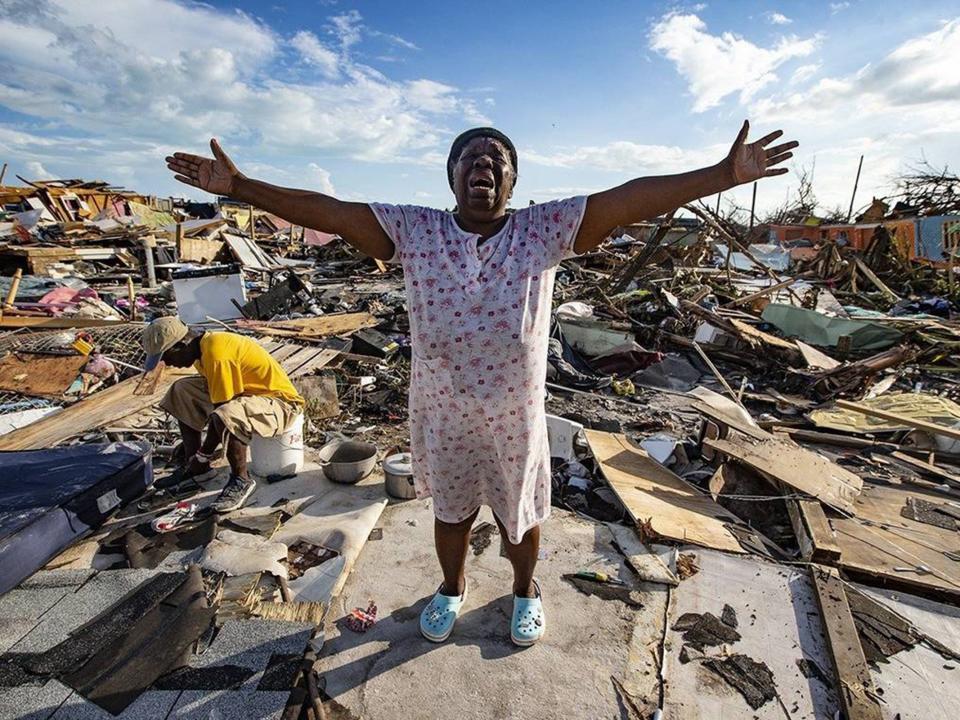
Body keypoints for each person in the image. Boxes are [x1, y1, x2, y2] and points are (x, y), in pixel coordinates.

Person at [165, 121, 797, 645]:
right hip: (442, 411)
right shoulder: (416, 231)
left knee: (519, 515)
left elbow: (624, 199)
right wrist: (244, 187)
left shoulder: (541, 232)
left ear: (513, 181)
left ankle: (525, 591)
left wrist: (721, 175)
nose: (483, 167)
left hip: (514, 413)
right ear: (451, 175)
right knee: (451, 511)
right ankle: (452, 587)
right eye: (470, 158)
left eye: (497, 160)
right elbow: (330, 210)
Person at [142, 316, 305, 512]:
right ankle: (196, 470)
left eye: (166, 356)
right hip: (249, 394)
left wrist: (204, 454)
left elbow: (222, 414)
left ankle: (241, 480)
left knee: (227, 414)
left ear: (181, 344)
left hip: (281, 404)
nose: (167, 363)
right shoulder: (200, 349)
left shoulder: (217, 354)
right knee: (181, 391)